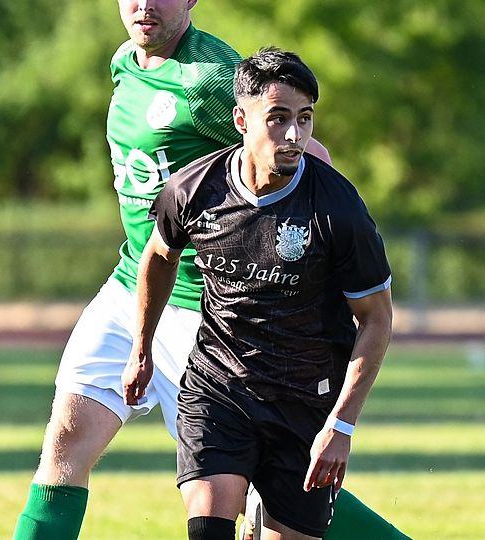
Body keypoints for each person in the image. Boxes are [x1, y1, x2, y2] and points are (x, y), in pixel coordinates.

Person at [13, 1, 409, 538]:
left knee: (275, 487)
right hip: (133, 286)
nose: (144, 4)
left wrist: (301, 258)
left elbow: (307, 158)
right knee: (66, 439)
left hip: (211, 311)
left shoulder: (209, 79)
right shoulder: (125, 62)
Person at [125, 47, 396, 540]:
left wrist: (342, 425)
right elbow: (159, 258)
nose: (294, 135)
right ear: (241, 120)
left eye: (305, 118)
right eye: (278, 118)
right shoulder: (193, 189)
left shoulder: (338, 209)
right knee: (207, 527)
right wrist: (140, 350)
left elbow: (376, 318)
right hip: (219, 387)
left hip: (306, 401)